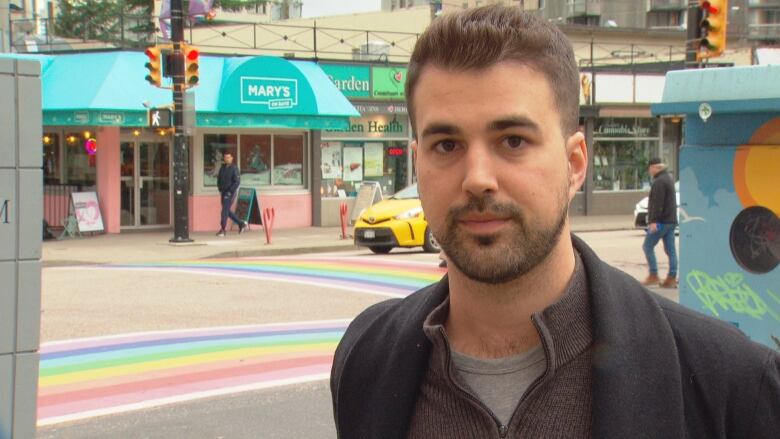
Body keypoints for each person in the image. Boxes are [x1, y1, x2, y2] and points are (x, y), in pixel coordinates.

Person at [330, 6, 780, 439]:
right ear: (417, 165)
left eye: (512, 140)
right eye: (447, 145)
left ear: (575, 163)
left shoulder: (730, 383)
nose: (478, 179)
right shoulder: (367, 357)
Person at [642, 157, 678, 288]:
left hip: (661, 222)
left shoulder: (660, 182)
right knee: (671, 250)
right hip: (670, 221)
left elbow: (658, 203)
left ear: (655, 167)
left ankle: (654, 274)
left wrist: (654, 221)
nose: (649, 170)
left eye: (650, 167)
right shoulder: (667, 178)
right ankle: (671, 277)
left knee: (647, 246)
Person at [216, 151, 247, 237]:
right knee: (226, 211)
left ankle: (222, 229)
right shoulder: (222, 168)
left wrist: (230, 191)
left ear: (232, 158)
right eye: (225, 157)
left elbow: (237, 182)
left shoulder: (234, 168)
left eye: (228, 157)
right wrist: (219, 187)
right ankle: (241, 223)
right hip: (223, 191)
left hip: (230, 192)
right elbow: (219, 178)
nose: (227, 159)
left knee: (224, 211)